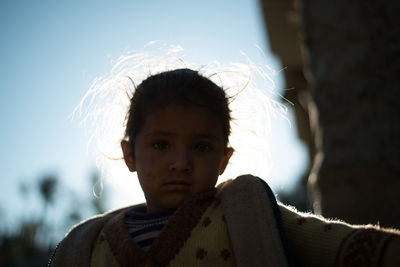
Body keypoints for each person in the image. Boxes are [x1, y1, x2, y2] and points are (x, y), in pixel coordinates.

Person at [50, 68, 400, 267]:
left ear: (223, 160)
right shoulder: (89, 246)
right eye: (161, 144)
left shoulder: (244, 213)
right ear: (129, 155)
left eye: (201, 147)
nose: (181, 163)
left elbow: (338, 245)